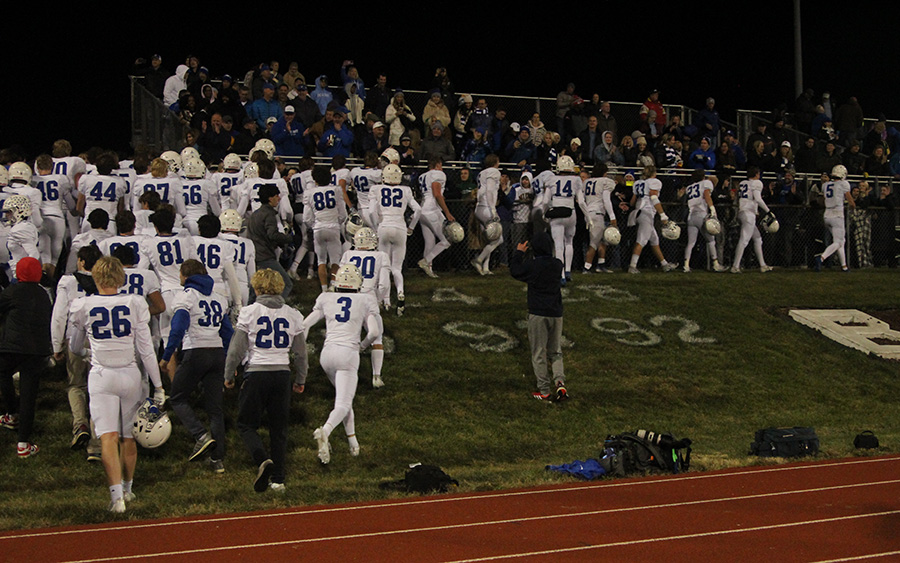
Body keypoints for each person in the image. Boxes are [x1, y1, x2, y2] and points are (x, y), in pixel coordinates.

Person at [69, 256, 166, 512]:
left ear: (96, 278)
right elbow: (146, 351)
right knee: (128, 437)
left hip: (102, 376)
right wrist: (158, 386)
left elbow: (75, 346)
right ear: (121, 278)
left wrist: (86, 354)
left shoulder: (83, 305)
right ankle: (128, 488)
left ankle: (116, 499)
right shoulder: (134, 303)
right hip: (130, 375)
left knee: (108, 438)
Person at [223, 269, 307, 493]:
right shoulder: (293, 314)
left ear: (257, 288)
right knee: (279, 428)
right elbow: (300, 353)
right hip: (282, 374)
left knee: (245, 423)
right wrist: (301, 378)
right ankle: (278, 479)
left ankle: (262, 459)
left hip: (257, 372)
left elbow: (236, 350)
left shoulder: (250, 312)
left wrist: (229, 374)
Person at [160, 259, 233, 473]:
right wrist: (230, 361)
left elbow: (178, 329)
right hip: (217, 353)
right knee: (215, 409)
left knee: (178, 397)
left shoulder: (185, 297)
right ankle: (217, 460)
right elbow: (227, 333)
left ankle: (201, 436)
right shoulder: (219, 298)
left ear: (185, 276)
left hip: (196, 351)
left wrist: (166, 356)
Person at [305, 264, 381, 464]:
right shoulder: (365, 300)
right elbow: (373, 332)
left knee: (345, 398)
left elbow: (306, 324)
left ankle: (353, 443)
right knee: (343, 403)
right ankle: (325, 431)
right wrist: (362, 346)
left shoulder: (326, 297)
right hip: (348, 353)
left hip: (327, 354)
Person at [0, 257, 51, 458]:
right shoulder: (43, 295)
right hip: (36, 351)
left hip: (11, 347)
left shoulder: (12, 291)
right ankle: (23, 444)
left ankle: (11, 413)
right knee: (29, 396)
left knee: (3, 374)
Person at [510, 232, 566, 402]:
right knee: (556, 351)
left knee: (539, 353)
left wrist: (519, 252)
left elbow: (515, 270)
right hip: (556, 314)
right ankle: (560, 383)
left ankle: (544, 391)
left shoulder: (533, 266)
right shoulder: (558, 264)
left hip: (538, 313)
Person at [367, 164, 421, 316]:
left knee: (384, 267)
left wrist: (375, 227)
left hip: (384, 227)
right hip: (400, 227)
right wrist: (411, 227)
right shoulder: (406, 190)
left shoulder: (376, 189)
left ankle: (384, 301)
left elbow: (371, 211)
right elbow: (418, 210)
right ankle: (401, 293)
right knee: (396, 268)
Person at [340, 228, 389, 388]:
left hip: (349, 298)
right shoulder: (381, 256)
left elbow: (340, 278)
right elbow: (383, 285)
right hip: (369, 298)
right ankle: (376, 377)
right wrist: (380, 300)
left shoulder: (348, 254)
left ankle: (342, 371)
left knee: (344, 337)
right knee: (377, 338)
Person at [536, 155, 590, 284]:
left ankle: (561, 276)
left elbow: (545, 201)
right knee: (569, 242)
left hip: (557, 213)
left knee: (558, 246)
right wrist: (588, 217)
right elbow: (581, 202)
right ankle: (567, 271)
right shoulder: (576, 180)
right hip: (571, 212)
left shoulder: (551, 179)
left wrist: (544, 213)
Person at [246, 184, 293, 299]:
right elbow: (272, 235)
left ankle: (251, 311)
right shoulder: (268, 214)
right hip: (265, 256)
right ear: (270, 198)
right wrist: (288, 238)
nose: (279, 198)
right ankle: (273, 307)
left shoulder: (255, 214)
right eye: (276, 195)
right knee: (286, 283)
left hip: (254, 255)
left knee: (256, 289)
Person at [627, 165, 677, 274]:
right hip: (647, 213)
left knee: (654, 240)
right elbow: (654, 197)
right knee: (641, 240)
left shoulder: (638, 183)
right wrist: (663, 215)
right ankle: (632, 266)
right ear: (654, 173)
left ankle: (664, 264)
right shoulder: (654, 182)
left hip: (638, 212)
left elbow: (632, 202)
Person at [417, 157, 455, 278]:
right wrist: (447, 212)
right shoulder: (438, 174)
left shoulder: (422, 176)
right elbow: (437, 194)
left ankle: (429, 270)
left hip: (422, 210)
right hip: (431, 210)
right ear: (438, 164)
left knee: (430, 241)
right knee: (447, 240)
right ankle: (425, 261)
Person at [731, 166, 774, 273]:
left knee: (758, 239)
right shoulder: (757, 183)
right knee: (744, 240)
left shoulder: (742, 183)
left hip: (742, 212)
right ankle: (735, 266)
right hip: (748, 214)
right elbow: (758, 199)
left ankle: (762, 265)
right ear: (756, 175)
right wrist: (768, 211)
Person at [683, 170, 726, 272]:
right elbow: (707, 195)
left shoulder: (689, 187)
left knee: (691, 243)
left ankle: (686, 265)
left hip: (691, 216)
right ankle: (715, 264)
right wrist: (712, 209)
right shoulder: (705, 184)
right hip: (701, 216)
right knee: (711, 240)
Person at [816, 165, 855, 272]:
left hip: (827, 214)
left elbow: (824, 199)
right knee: (838, 242)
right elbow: (850, 200)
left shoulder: (826, 185)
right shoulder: (844, 184)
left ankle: (844, 266)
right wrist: (852, 206)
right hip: (837, 215)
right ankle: (821, 258)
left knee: (840, 241)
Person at [582, 163, 619, 272]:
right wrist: (612, 216)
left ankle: (601, 265)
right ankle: (587, 267)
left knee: (602, 240)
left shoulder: (587, 182)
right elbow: (606, 199)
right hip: (597, 213)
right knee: (594, 242)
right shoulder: (605, 182)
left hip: (589, 212)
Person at [471, 155, 504, 276]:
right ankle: (479, 260)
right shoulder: (494, 172)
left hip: (479, 208)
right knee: (499, 239)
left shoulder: (482, 173)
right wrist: (493, 210)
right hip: (486, 208)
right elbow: (490, 190)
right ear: (496, 162)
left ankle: (485, 267)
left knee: (490, 239)